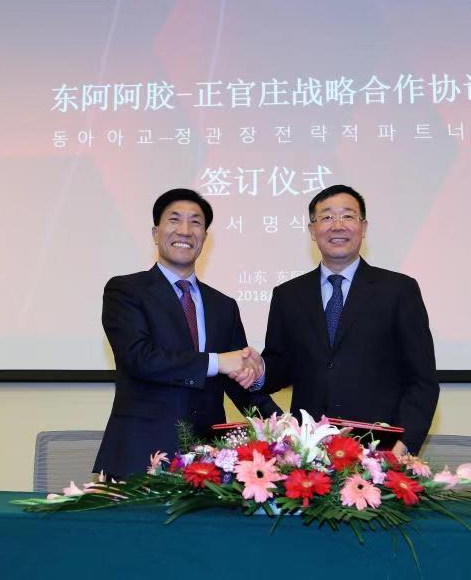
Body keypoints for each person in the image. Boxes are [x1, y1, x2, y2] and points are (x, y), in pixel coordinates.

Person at [94, 188, 279, 478]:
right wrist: (218, 361)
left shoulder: (223, 305)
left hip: (209, 460)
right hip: (140, 456)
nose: (185, 230)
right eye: (174, 219)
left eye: (195, 222)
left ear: (205, 237)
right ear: (155, 233)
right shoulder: (126, 290)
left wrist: (284, 427)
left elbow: (238, 378)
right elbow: (139, 358)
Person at [256, 184, 439, 457]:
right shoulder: (288, 295)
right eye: (327, 217)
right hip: (308, 453)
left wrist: (403, 446)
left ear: (363, 227)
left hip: (378, 451)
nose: (337, 225)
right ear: (312, 230)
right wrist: (256, 370)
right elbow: (280, 367)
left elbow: (422, 380)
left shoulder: (399, 290)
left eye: (348, 216)